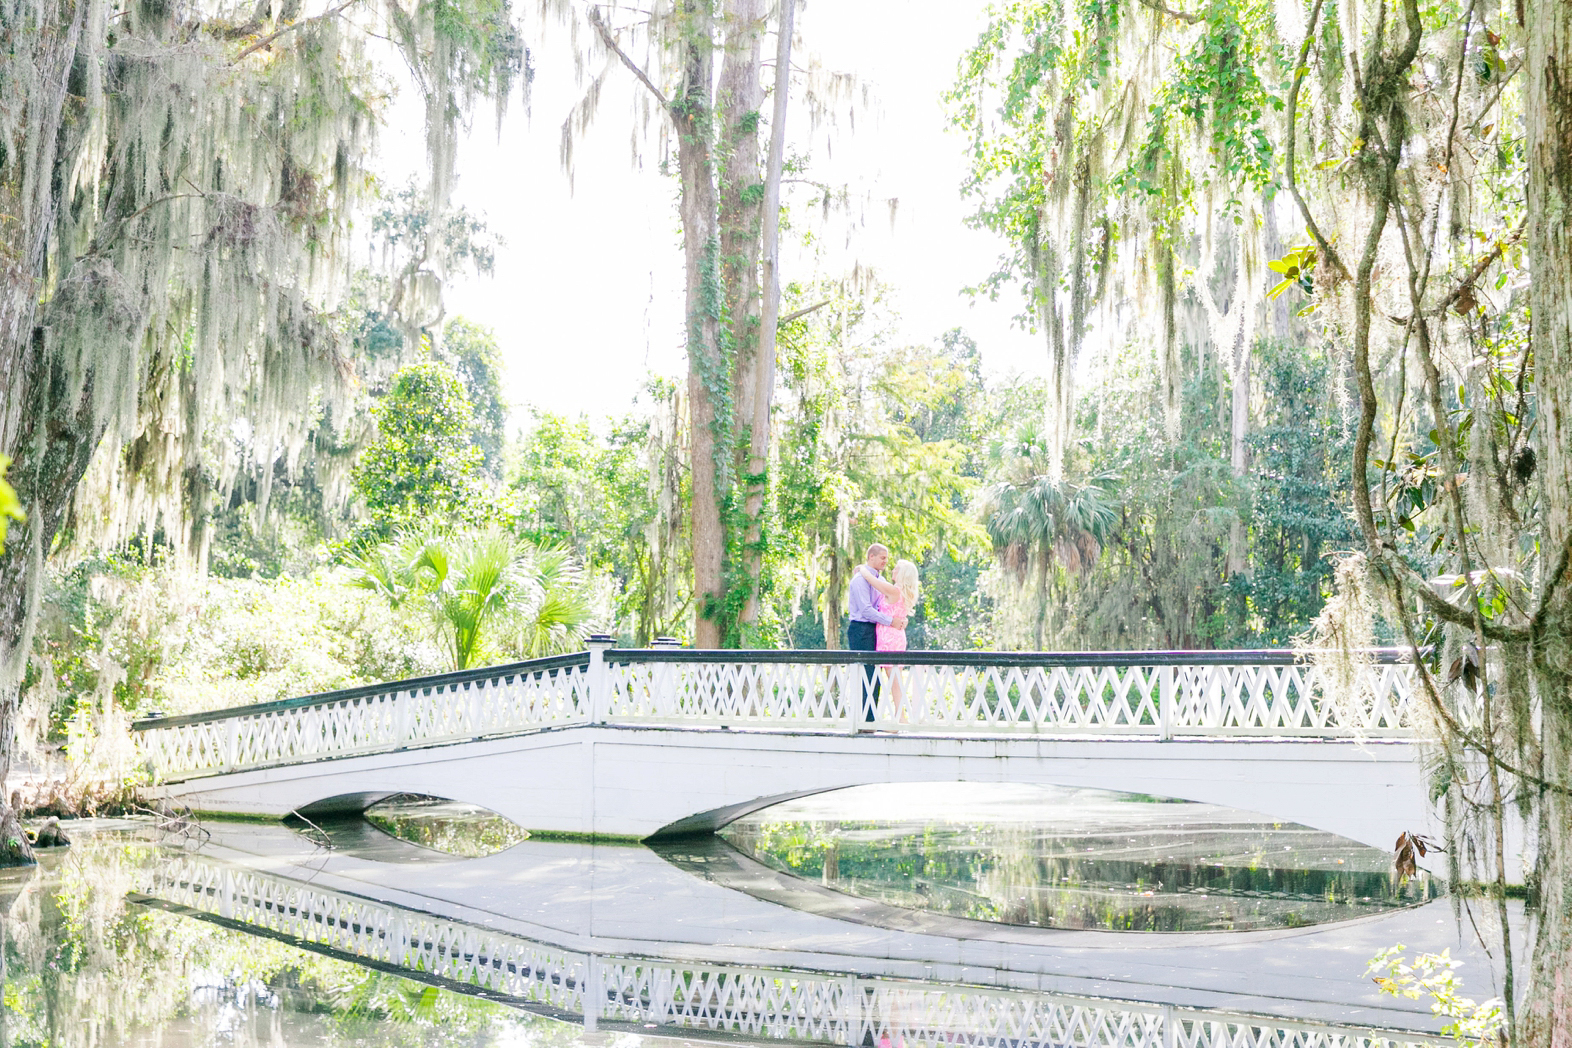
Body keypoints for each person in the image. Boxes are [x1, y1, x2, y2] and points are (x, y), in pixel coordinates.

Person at [847, 543, 905, 728]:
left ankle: (870, 719)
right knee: (866, 674)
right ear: (871, 557)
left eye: (887, 558)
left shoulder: (878, 580)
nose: (886, 561)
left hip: (874, 630)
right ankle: (864, 721)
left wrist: (900, 620)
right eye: (882, 557)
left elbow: (886, 604)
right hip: (860, 629)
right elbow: (866, 610)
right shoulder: (859, 580)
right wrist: (890, 621)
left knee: (875, 677)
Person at [856, 558, 920, 721]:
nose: (893, 570)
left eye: (896, 569)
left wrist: (863, 568)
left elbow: (872, 580)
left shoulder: (894, 591)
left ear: (902, 574)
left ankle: (901, 718)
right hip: (892, 636)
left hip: (890, 638)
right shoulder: (901, 592)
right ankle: (900, 717)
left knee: (894, 682)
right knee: (894, 681)